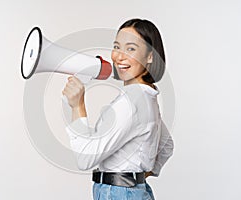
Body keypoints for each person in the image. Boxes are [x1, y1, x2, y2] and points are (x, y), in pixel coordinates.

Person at [62, 18, 174, 200]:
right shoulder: (147, 96)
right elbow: (167, 146)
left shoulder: (130, 101)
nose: (119, 56)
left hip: (117, 193)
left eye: (131, 49)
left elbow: (85, 159)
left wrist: (77, 105)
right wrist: (137, 178)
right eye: (116, 46)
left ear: (150, 56)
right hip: (134, 191)